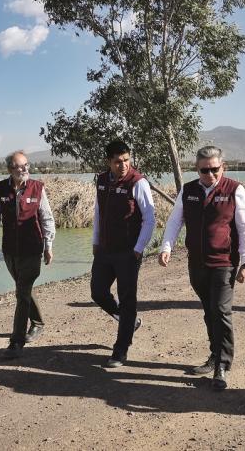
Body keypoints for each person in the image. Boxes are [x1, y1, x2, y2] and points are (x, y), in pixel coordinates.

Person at [158, 146, 245, 390]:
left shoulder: (234, 190)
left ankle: (222, 365)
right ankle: (214, 355)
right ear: (197, 169)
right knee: (209, 310)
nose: (210, 174)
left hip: (224, 262)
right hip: (197, 263)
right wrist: (166, 247)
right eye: (205, 170)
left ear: (223, 167)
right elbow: (175, 221)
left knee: (221, 311)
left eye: (215, 169)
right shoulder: (188, 191)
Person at [90, 140, 156, 368]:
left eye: (127, 160)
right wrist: (95, 240)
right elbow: (99, 212)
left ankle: (121, 350)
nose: (123, 165)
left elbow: (150, 219)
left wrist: (138, 250)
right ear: (108, 161)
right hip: (105, 250)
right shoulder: (101, 181)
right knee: (97, 292)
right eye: (118, 161)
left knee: (128, 300)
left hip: (128, 252)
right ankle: (129, 322)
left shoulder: (138, 183)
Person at [0, 151, 56, 359]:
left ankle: (16, 342)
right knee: (23, 289)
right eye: (19, 166)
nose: (24, 169)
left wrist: (48, 245)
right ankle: (38, 322)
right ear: (10, 169)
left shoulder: (37, 188)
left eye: (26, 165)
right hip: (10, 251)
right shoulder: (0, 189)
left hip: (32, 249)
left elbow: (47, 218)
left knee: (22, 292)